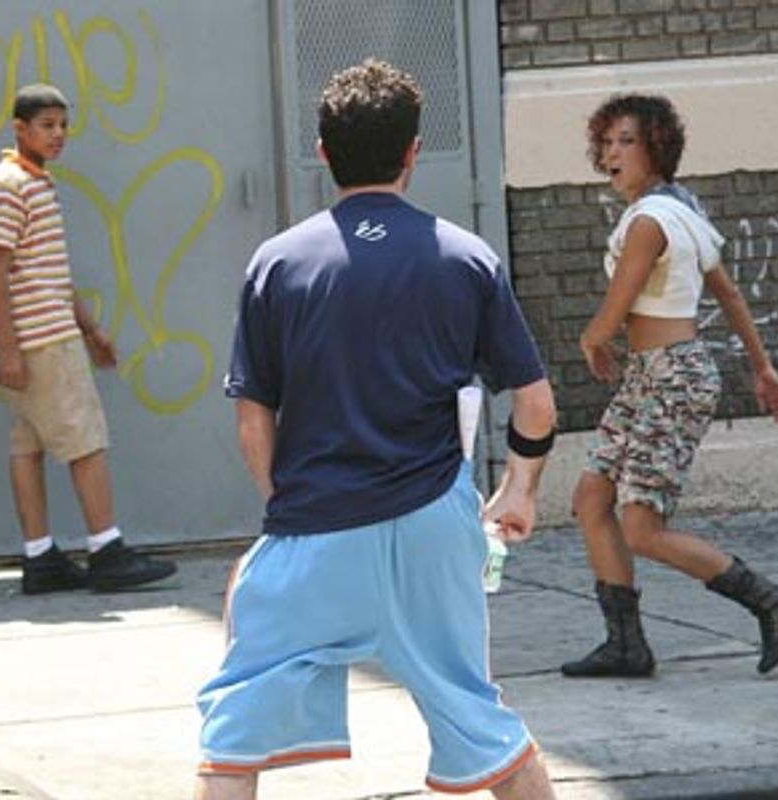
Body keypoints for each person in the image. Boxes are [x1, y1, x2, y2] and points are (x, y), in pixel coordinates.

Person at [196, 60, 558, 800]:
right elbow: (536, 403)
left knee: (232, 736)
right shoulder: (466, 258)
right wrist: (517, 489)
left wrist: (283, 500)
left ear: (323, 152)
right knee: (477, 714)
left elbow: (251, 415)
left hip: (316, 523)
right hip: (431, 521)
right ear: (413, 151)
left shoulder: (277, 263)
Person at [563, 94, 778, 679]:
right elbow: (727, 294)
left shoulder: (652, 220)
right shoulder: (684, 213)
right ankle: (625, 644)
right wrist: (763, 367)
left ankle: (773, 601)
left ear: (657, 149)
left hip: (671, 376)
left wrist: (592, 340)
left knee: (641, 528)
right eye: (608, 141)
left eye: (627, 141)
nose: (612, 152)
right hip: (651, 375)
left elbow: (619, 300)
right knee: (592, 498)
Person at [0, 83, 176, 593]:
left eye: (63, 125)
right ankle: (106, 548)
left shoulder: (35, 182)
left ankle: (40, 556)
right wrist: (9, 346)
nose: (58, 134)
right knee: (86, 439)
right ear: (19, 129)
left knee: (28, 445)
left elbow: (49, 272)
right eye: (47, 125)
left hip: (43, 333)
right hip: (41, 338)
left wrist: (90, 328)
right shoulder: (10, 185)